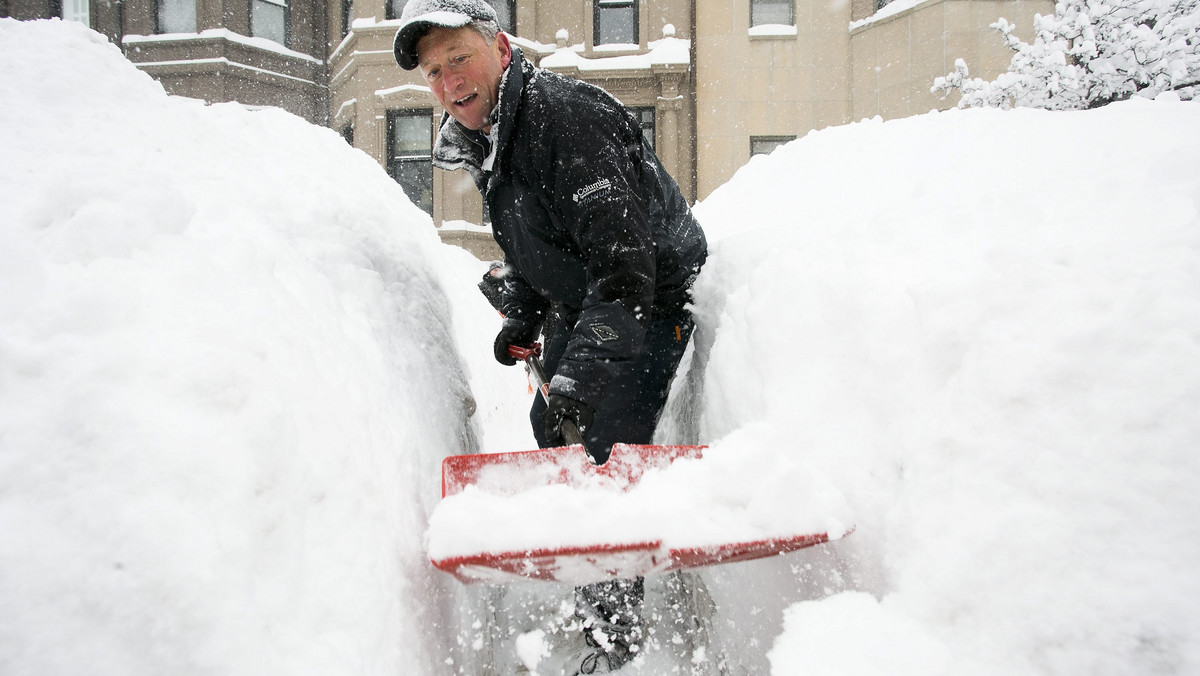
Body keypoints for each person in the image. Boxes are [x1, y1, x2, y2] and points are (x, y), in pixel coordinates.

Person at [393, 0, 707, 671]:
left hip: (646, 302)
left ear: (500, 49)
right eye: (433, 72)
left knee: (599, 455)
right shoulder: (498, 137)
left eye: (459, 58)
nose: (448, 81)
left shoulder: (564, 119)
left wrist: (581, 379)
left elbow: (626, 271)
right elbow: (542, 241)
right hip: (588, 300)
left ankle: (616, 642)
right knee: (550, 425)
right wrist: (523, 317)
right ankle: (593, 579)